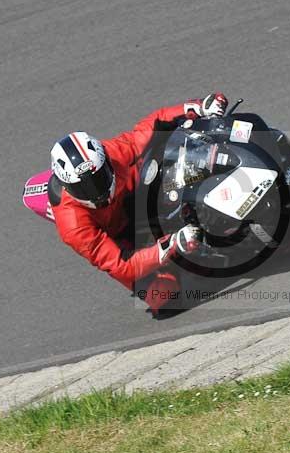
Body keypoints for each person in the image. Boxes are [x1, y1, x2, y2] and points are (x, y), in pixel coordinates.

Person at [48, 93, 229, 315]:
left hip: (134, 194)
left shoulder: (110, 154)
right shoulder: (73, 226)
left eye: (99, 178)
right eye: (84, 188)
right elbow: (123, 266)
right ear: (66, 186)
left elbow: (149, 127)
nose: (96, 192)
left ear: (103, 161)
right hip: (119, 237)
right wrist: (172, 245)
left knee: (174, 136)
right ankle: (184, 256)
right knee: (163, 298)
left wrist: (197, 107)